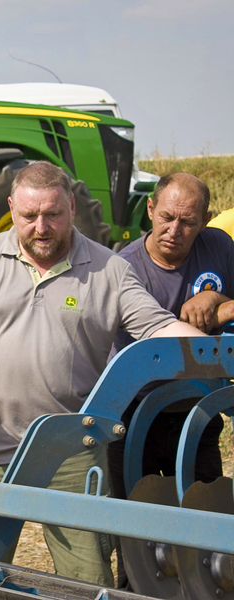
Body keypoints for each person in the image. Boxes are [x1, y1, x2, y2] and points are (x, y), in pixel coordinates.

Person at [0, 161, 204, 586]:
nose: (41, 226)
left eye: (52, 214)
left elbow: (158, 327)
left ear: (71, 206)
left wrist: (210, 349)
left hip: (71, 448)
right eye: (29, 216)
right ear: (12, 208)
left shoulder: (109, 269)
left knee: (87, 580)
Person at [108, 173, 234, 502]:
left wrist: (217, 301)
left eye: (188, 222)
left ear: (206, 220)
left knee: (206, 517)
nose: (174, 231)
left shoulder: (220, 247)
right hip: (133, 415)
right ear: (150, 209)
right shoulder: (125, 269)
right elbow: (163, 342)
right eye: (166, 217)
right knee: (136, 530)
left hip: (196, 411)